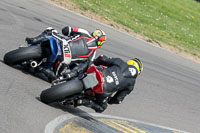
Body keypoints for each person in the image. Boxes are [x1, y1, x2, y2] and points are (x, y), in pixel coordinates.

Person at [62, 55, 143, 113]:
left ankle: (71, 73)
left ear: (129, 63)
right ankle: (82, 101)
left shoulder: (120, 61)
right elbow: (118, 99)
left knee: (87, 62)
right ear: (138, 73)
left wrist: (95, 62)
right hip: (103, 91)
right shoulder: (131, 84)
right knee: (102, 108)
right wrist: (110, 101)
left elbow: (102, 58)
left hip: (98, 74)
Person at [25, 26, 107, 82]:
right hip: (64, 60)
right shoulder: (92, 56)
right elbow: (82, 68)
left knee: (50, 30)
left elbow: (66, 30)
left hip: (60, 42)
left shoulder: (84, 32)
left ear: (94, 33)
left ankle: (34, 40)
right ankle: (40, 68)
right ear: (101, 43)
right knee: (56, 79)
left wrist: (68, 31)